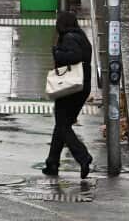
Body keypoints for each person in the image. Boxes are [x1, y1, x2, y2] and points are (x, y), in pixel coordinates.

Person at [44, 11, 93, 178]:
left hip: (69, 89)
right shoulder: (81, 37)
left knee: (63, 126)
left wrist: (56, 52)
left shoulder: (69, 38)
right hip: (81, 88)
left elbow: (74, 56)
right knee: (61, 125)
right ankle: (52, 163)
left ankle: (83, 156)